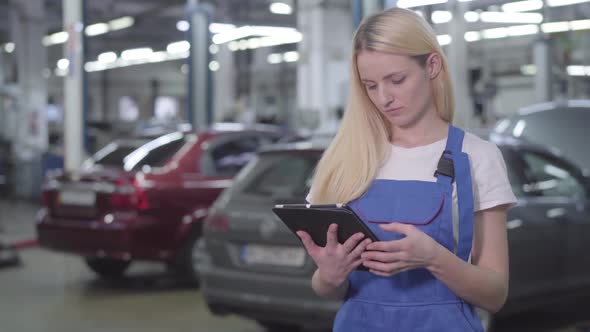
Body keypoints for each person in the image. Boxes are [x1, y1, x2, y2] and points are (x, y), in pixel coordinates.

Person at [298, 7, 517, 332]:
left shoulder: (477, 156)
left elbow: (495, 294)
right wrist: (329, 276)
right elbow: (323, 287)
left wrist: (433, 258)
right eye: (370, 86)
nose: (384, 98)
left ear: (432, 65)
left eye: (396, 80)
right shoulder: (346, 157)